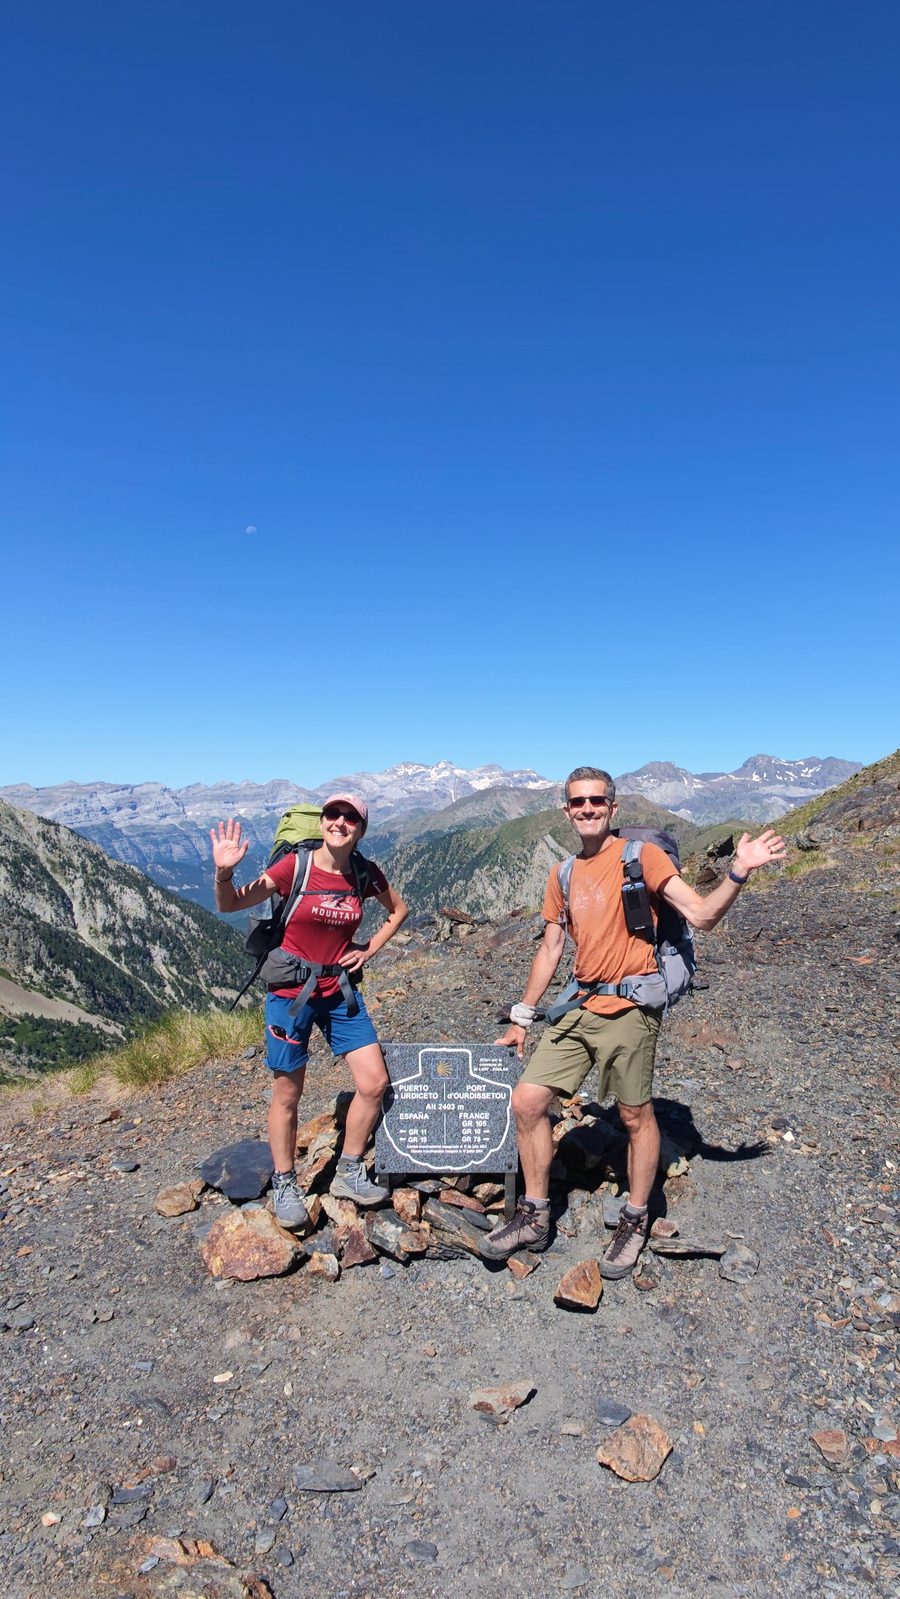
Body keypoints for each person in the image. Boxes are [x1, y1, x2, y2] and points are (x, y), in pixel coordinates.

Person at [485, 766, 785, 1276]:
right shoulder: (561, 873)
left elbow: (703, 916)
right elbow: (551, 948)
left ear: (613, 807)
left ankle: (635, 1216)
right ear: (566, 809)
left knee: (634, 1116)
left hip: (630, 1006)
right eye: (578, 802)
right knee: (528, 1101)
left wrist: (739, 870)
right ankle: (534, 1214)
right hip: (578, 1004)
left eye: (596, 801)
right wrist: (522, 1017)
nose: (587, 809)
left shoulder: (640, 857)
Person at [210, 793, 408, 1229]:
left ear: (361, 828)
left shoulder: (364, 874)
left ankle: (349, 1171)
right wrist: (224, 871)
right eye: (332, 815)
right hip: (289, 992)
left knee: (374, 1082)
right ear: (322, 822)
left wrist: (369, 949)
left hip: (338, 989)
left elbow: (399, 910)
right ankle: (285, 1182)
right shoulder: (294, 868)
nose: (339, 822)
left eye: (349, 817)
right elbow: (230, 903)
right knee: (288, 1094)